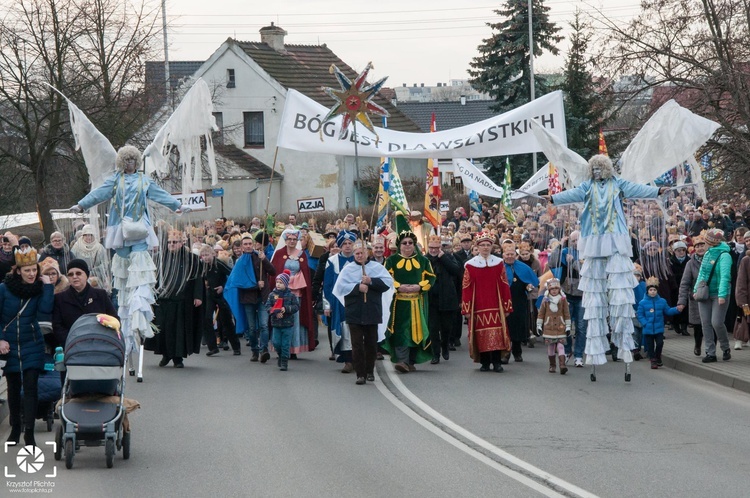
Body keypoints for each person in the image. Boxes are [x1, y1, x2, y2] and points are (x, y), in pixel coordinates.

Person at [545, 154, 667, 376]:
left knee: (619, 285)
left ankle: (624, 347)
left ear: (608, 169)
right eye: (595, 169)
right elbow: (572, 194)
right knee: (595, 285)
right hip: (593, 236)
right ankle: (594, 348)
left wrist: (656, 191)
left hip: (614, 235)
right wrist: (555, 198)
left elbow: (635, 189)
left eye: (601, 169)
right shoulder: (587, 186)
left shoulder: (617, 183)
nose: (598, 173)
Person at [70, 145, 185, 368]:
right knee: (122, 279)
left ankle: (140, 318)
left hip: (140, 229)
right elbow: (99, 193)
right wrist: (82, 204)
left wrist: (177, 205)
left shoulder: (144, 181)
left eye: (133, 160)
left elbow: (160, 195)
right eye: (127, 161)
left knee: (141, 274)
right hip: (120, 231)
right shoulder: (116, 180)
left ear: (137, 162)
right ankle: (126, 334)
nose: (130, 164)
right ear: (122, 162)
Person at [0, 247, 54, 446]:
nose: (32, 274)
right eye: (27, 270)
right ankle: (15, 429)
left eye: (34, 270)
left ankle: (29, 433)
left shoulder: (39, 289)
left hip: (32, 342)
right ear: (18, 271)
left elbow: (45, 310)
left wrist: (48, 286)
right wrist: (0, 339)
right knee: (13, 388)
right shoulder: (4, 289)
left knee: (31, 388)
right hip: (10, 345)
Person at [333, 240, 393, 384]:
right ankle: (360, 374)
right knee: (357, 344)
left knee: (371, 343)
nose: (360, 256)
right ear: (354, 254)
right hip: (354, 311)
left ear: (368, 253)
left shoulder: (377, 267)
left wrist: (371, 281)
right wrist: (357, 287)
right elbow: (340, 288)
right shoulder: (347, 269)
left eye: (362, 253)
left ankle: (369, 370)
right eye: (357, 253)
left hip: (372, 310)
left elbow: (387, 284)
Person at [146, 230, 203, 368]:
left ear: (181, 243)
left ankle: (178, 358)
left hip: (181, 301)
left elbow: (198, 278)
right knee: (163, 330)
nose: (172, 244)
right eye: (169, 242)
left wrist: (198, 296)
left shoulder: (192, 259)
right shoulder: (159, 258)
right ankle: (166, 355)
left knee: (179, 331)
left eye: (175, 242)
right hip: (163, 300)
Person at [384, 228, 436, 373]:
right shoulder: (391, 261)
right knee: (401, 331)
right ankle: (402, 361)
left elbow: (431, 278)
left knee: (416, 331)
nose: (407, 245)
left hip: (417, 303)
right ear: (399, 245)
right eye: (404, 243)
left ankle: (411, 360)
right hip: (399, 303)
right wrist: (399, 287)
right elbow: (386, 278)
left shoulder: (423, 260)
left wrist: (418, 287)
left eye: (410, 243)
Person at [461, 231, 513, 372]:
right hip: (478, 305)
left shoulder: (498, 263)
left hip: (496, 305)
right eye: (482, 245)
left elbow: (504, 285)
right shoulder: (470, 265)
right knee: (480, 334)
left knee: (497, 333)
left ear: (492, 246)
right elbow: (466, 287)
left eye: (487, 245)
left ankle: (497, 362)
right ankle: (484, 363)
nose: (485, 248)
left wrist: (507, 306)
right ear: (477, 247)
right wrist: (466, 308)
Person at [271, 229, 315, 357]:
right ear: (285, 240)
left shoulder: (301, 255)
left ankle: (293, 349)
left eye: (294, 239)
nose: (292, 241)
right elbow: (275, 272)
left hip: (296, 293)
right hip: (281, 293)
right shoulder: (279, 254)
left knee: (294, 320)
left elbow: (305, 273)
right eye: (289, 239)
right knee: (281, 318)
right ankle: (281, 348)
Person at [694, 228, 733, 363]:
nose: (705, 244)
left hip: (719, 293)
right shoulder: (708, 253)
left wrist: (722, 295)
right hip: (705, 293)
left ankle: (725, 347)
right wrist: (696, 289)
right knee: (705, 323)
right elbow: (702, 274)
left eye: (706, 241)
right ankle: (710, 352)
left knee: (716, 322)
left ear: (712, 242)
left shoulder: (724, 255)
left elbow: (725, 276)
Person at [323, 231, 357, 372]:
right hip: (339, 303)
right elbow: (327, 285)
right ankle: (348, 360)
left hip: (357, 302)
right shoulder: (332, 261)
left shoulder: (359, 259)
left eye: (350, 243)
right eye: (345, 244)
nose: (347, 246)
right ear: (340, 245)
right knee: (344, 331)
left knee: (357, 330)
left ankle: (359, 359)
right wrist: (327, 305)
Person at [425, 235, 462, 364]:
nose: (433, 250)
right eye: (431, 248)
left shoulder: (449, 258)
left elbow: (457, 271)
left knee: (446, 327)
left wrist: (443, 258)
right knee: (433, 328)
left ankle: (445, 344)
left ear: (440, 248)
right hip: (431, 299)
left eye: (436, 248)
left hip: (447, 298)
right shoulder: (425, 260)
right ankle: (435, 354)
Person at [502, 243, 539, 362]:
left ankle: (517, 352)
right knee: (506, 327)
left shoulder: (523, 267)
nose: (509, 256)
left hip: (519, 301)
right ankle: (505, 353)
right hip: (504, 301)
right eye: (507, 254)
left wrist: (529, 286)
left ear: (515, 254)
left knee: (518, 326)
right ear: (503, 255)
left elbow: (531, 282)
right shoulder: (499, 267)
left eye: (512, 254)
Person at [200, 245, 240, 357]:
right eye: (203, 256)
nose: (205, 258)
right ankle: (212, 347)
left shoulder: (219, 264)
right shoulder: (203, 266)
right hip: (210, 295)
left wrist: (223, 286)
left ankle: (236, 346)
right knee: (207, 319)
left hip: (221, 295)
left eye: (207, 255)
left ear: (213, 254)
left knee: (226, 320)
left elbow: (232, 275)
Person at [637, 276, 681, 369]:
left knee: (660, 343)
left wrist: (677, 309)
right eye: (651, 290)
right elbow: (640, 315)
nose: (652, 291)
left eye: (654, 290)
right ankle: (653, 360)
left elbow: (668, 311)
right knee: (650, 346)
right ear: (647, 291)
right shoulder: (642, 303)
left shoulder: (661, 301)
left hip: (659, 328)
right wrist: (645, 323)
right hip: (648, 329)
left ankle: (658, 357)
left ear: (657, 291)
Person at [679, 234, 708, 356]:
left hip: (710, 296)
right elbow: (684, 283)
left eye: (702, 245)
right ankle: (697, 344)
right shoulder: (690, 263)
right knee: (698, 326)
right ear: (694, 248)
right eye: (698, 246)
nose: (700, 248)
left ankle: (710, 349)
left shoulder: (712, 260)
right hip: (696, 298)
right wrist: (682, 301)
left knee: (710, 324)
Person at [266, 270, 299, 371]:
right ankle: (280, 355)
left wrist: (286, 309)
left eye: (281, 282)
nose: (278, 284)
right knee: (276, 343)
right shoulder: (272, 295)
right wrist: (275, 312)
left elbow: (296, 307)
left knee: (285, 344)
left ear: (285, 283)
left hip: (287, 324)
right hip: (276, 324)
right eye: (277, 282)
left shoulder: (291, 295)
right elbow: (268, 306)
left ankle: (284, 361)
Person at [536, 278, 571, 374]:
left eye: (556, 288)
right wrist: (539, 325)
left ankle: (562, 365)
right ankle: (552, 365)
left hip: (560, 327)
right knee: (551, 347)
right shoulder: (545, 300)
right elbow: (541, 314)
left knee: (560, 346)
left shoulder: (563, 299)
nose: (554, 291)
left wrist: (568, 326)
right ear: (549, 289)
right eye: (552, 289)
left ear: (559, 289)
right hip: (549, 328)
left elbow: (567, 313)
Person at [71, 224, 110, 293]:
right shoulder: (76, 247)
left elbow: (105, 264)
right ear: (83, 235)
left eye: (91, 235)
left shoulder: (99, 248)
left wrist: (95, 271)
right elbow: (72, 263)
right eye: (86, 235)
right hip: (80, 279)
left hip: (97, 281)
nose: (89, 237)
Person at [734, 247, 750, 349]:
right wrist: (741, 300)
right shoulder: (746, 260)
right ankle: (739, 339)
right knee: (743, 317)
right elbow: (741, 282)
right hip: (746, 298)